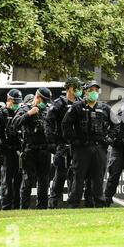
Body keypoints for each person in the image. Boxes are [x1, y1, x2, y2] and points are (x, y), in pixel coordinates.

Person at [62, 80, 118, 208]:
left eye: (96, 90)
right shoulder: (76, 107)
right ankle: (74, 204)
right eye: (91, 90)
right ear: (85, 91)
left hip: (99, 147)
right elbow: (65, 125)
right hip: (81, 148)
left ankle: (99, 204)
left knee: (98, 177)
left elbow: (116, 125)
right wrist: (74, 140)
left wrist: (109, 139)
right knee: (78, 177)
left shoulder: (105, 108)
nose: (94, 92)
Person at [12, 87, 53, 209]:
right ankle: (24, 209)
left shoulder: (48, 110)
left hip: (44, 151)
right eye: (43, 100)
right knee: (28, 182)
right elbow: (14, 124)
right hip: (30, 150)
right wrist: (29, 114)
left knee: (44, 182)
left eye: (46, 101)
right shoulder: (25, 109)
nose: (45, 103)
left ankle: (42, 208)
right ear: (37, 97)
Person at [46, 77, 83, 208]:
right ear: (70, 88)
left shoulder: (81, 103)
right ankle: (54, 203)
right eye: (77, 87)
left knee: (75, 175)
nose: (80, 90)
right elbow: (49, 123)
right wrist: (53, 143)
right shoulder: (59, 104)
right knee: (60, 174)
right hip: (62, 145)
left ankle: (72, 204)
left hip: (76, 146)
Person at [0, 89, 23, 210]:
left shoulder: (20, 113)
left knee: (19, 181)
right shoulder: (0, 115)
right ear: (8, 100)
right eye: (15, 102)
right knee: (6, 182)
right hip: (6, 152)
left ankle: (17, 207)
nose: (16, 104)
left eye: (18, 102)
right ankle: (6, 207)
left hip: (19, 152)